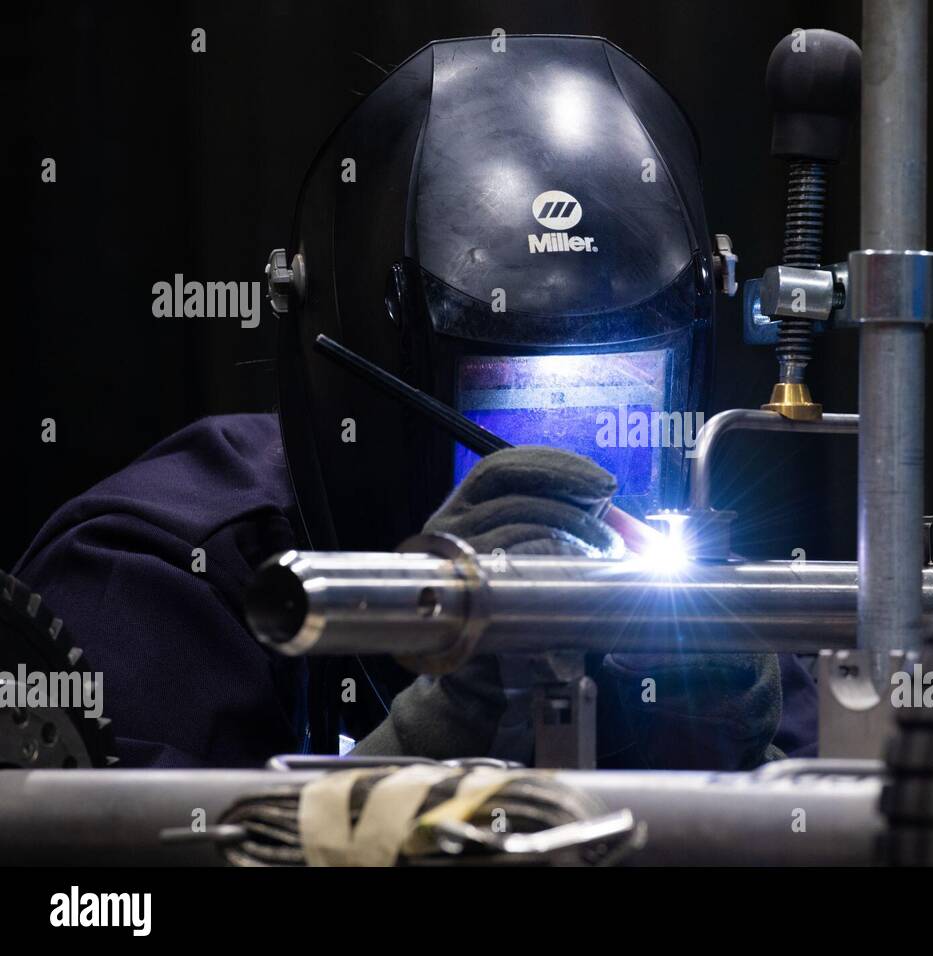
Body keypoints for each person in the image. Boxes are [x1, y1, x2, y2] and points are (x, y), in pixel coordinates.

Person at [15, 35, 818, 769]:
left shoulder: (699, 616)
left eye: (620, 415)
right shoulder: (161, 578)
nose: (567, 510)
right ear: (368, 383)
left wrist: (721, 745)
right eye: (502, 421)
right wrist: (429, 737)